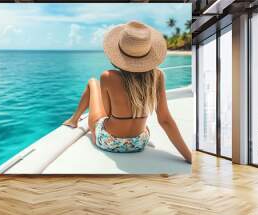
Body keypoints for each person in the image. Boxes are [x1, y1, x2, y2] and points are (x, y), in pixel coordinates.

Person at [63, 21, 192, 163]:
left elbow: (107, 113)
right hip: (139, 142)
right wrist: (188, 157)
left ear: (118, 53)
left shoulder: (108, 76)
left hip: (109, 142)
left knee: (93, 83)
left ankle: (74, 120)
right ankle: (75, 120)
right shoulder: (157, 76)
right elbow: (165, 120)